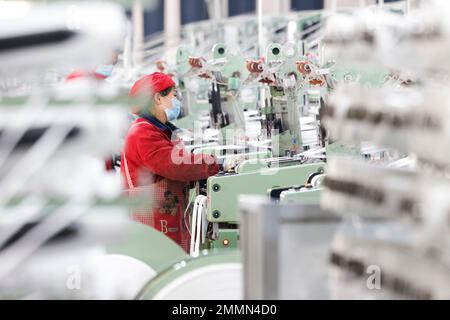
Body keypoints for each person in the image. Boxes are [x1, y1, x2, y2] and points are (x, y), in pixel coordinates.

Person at [121, 72, 219, 252]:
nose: (177, 102)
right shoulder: (144, 132)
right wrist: (217, 164)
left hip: (165, 215)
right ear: (158, 98)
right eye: (174, 95)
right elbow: (175, 165)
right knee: (164, 265)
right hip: (155, 220)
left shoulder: (158, 130)